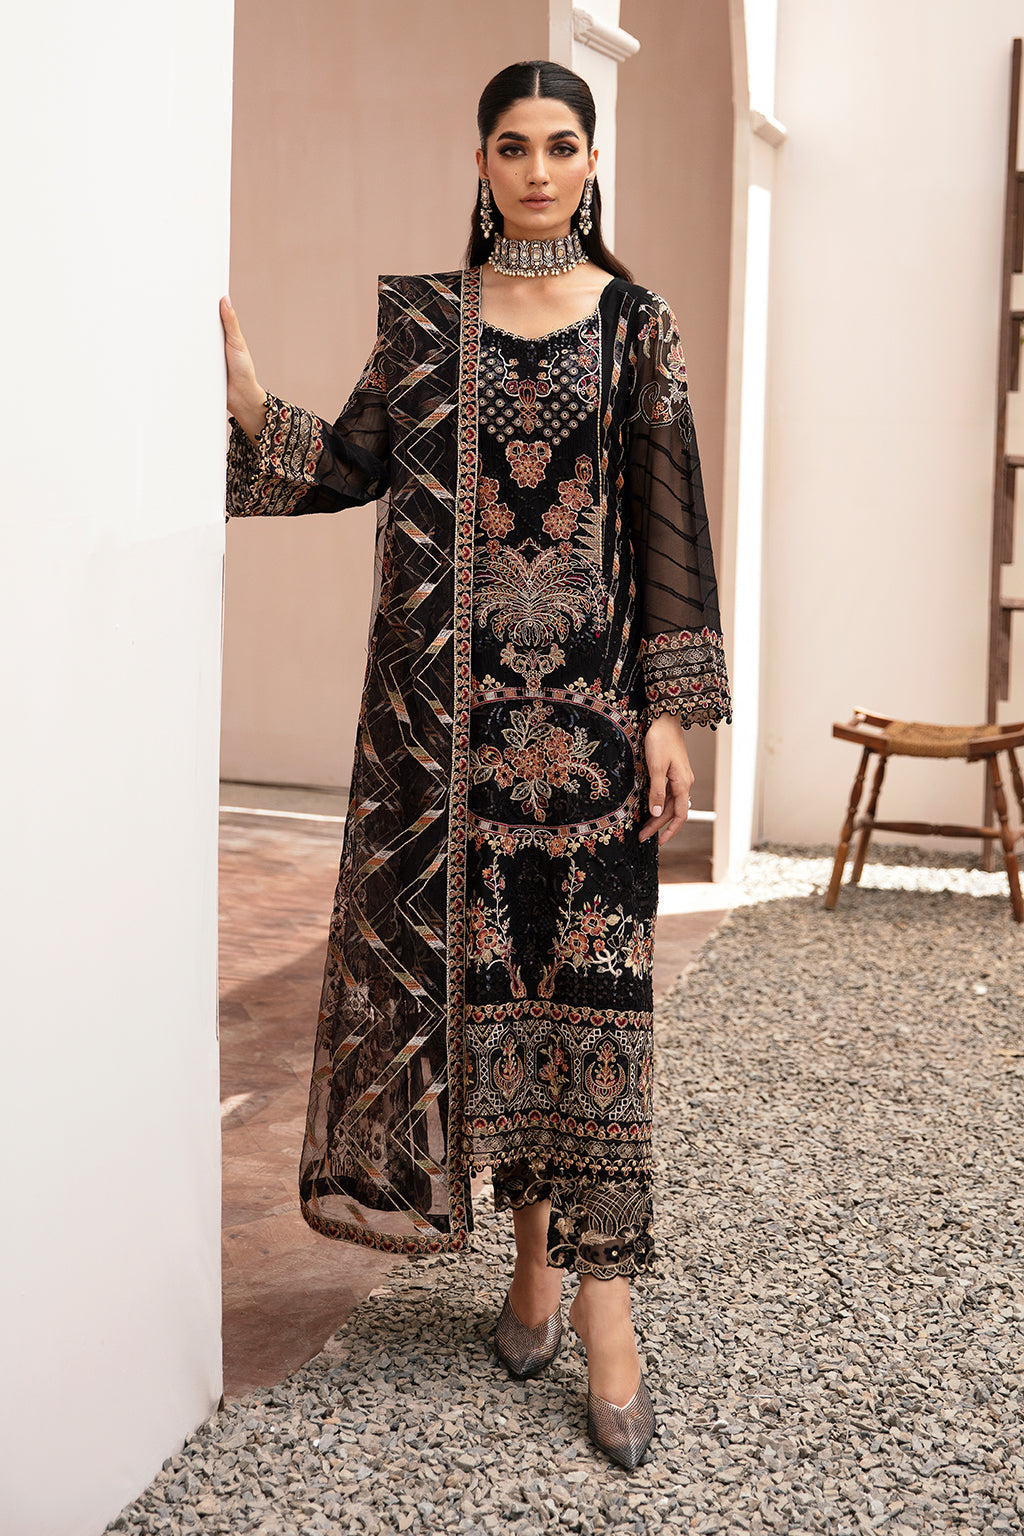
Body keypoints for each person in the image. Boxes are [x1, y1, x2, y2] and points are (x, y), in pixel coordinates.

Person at [221, 59, 730, 1470]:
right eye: (514, 147)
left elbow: (670, 524)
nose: (539, 170)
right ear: (485, 161)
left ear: (591, 161)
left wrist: (673, 713)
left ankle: (609, 1324)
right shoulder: (430, 323)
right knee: (490, 1011)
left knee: (595, 1012)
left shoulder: (636, 323)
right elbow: (349, 467)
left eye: (563, 146)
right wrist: (255, 404)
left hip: (594, 740)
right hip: (447, 750)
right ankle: (531, 1276)